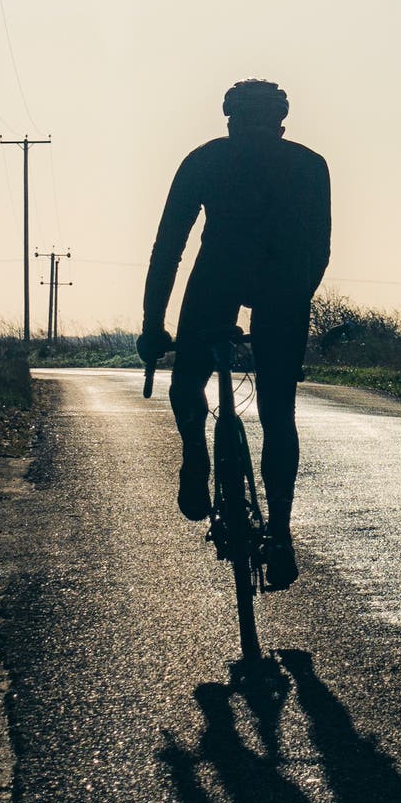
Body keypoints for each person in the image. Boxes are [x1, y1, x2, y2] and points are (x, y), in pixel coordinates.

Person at [137, 79, 330, 590]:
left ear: (230, 119)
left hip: (216, 281)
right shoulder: (310, 165)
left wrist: (152, 325)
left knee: (185, 385)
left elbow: (167, 249)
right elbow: (319, 251)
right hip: (284, 288)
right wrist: (293, 303)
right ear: (281, 122)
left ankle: (195, 457)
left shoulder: (205, 160)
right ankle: (281, 536)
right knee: (277, 414)